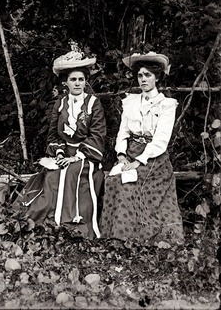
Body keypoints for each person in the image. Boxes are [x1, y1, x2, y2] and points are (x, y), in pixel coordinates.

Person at [14, 49, 106, 239]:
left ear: (86, 80)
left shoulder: (93, 103)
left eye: (81, 79)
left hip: (86, 154)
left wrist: (75, 156)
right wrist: (60, 155)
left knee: (72, 172)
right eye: (73, 79)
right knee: (52, 175)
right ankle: (46, 221)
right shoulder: (61, 103)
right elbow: (53, 135)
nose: (78, 83)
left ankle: (71, 223)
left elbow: (97, 134)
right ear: (66, 82)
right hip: (63, 153)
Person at [100, 51, 184, 245]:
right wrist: (121, 155)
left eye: (148, 75)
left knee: (129, 182)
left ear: (157, 77)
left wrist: (138, 162)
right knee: (113, 179)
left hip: (154, 158)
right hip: (130, 152)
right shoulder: (131, 102)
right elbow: (123, 132)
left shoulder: (166, 105)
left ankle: (132, 236)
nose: (143, 79)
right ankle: (113, 234)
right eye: (140, 75)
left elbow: (161, 141)